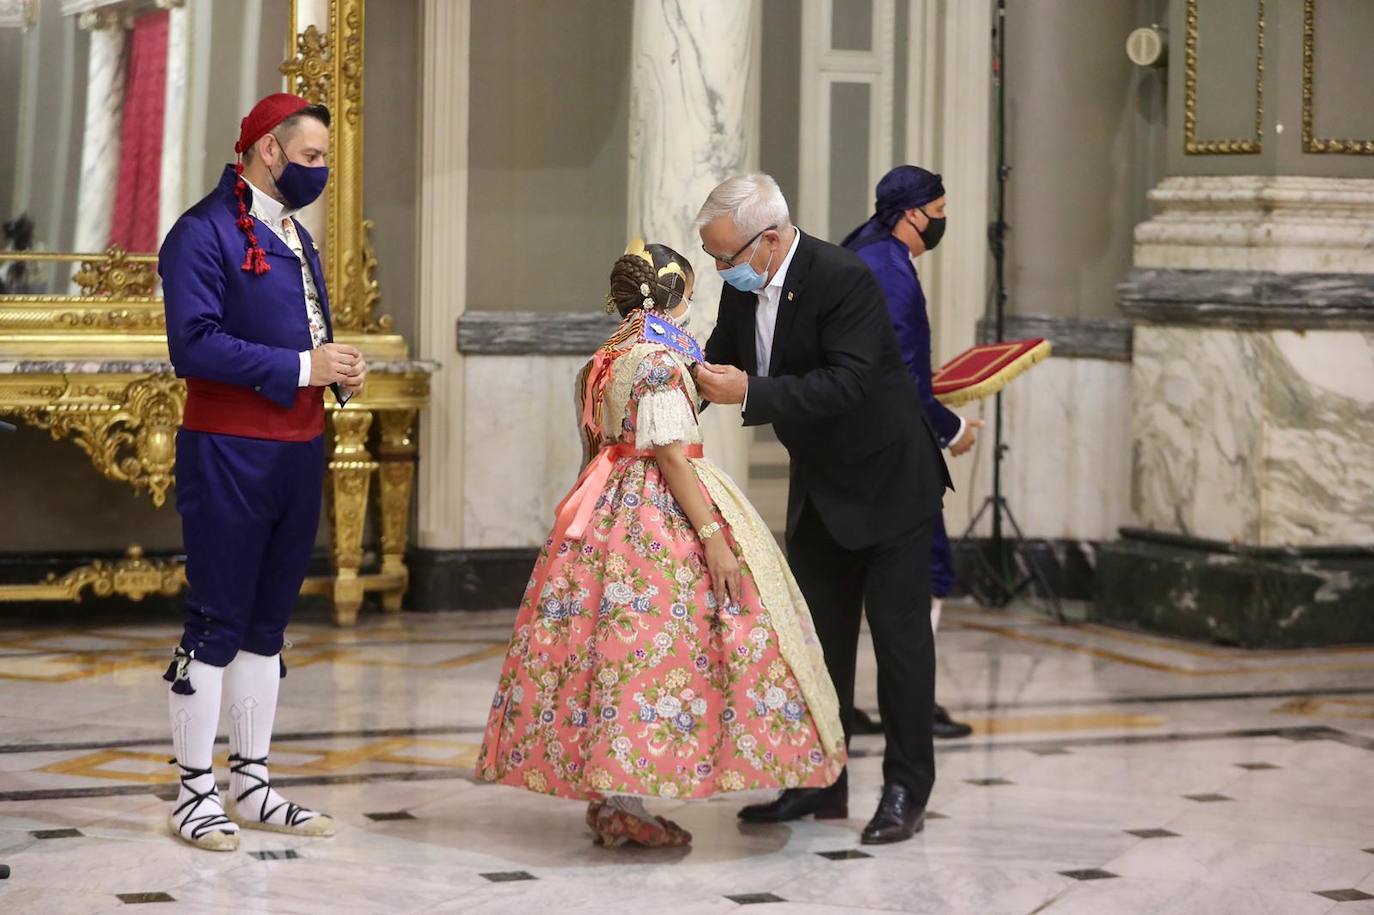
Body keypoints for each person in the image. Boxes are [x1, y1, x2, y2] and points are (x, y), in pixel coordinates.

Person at [478, 239, 846, 849]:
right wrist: (713, 539)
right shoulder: (656, 361)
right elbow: (672, 456)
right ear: (675, 297)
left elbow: (596, 449)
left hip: (605, 509)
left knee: (608, 653)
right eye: (691, 298)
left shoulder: (602, 361)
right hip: (659, 515)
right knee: (667, 653)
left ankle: (615, 798)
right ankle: (630, 793)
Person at [692, 174, 952, 845]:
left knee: (899, 647)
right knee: (817, 645)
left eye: (727, 258)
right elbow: (719, 355)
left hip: (890, 483)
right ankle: (818, 781)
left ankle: (905, 788)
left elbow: (848, 382)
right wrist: (665, 389)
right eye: (714, 259)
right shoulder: (742, 281)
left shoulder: (845, 278)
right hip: (822, 488)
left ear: (771, 240)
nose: (722, 271)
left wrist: (750, 391)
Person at [158, 93, 366, 851]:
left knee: (267, 627)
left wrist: (334, 368)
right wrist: (305, 364)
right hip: (228, 451)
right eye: (312, 157)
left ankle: (250, 780)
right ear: (268, 151)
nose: (321, 172)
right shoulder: (200, 232)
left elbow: (305, 330)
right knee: (215, 621)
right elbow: (195, 346)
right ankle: (192, 793)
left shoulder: (294, 235)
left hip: (298, 447)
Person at [842, 165, 977, 741]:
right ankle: (912, 707)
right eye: (939, 214)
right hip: (891, 458)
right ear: (911, 215)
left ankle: (843, 707)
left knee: (846, 584)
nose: (942, 225)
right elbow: (896, 374)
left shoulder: (860, 248)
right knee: (926, 570)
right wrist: (952, 428)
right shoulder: (891, 271)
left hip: (851, 454)